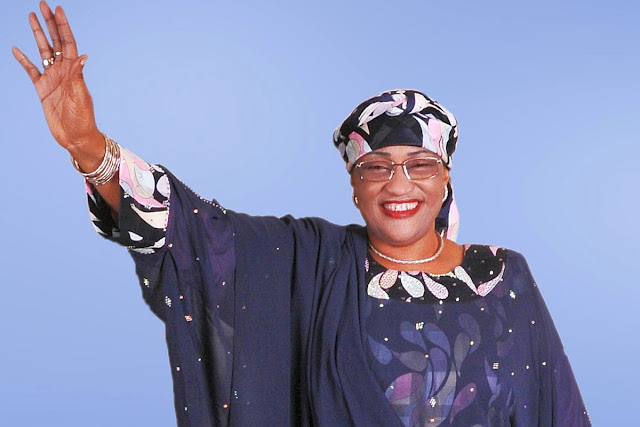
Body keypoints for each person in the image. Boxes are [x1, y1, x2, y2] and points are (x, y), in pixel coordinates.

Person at [14, 2, 591, 426]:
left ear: (445, 180)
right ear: (354, 186)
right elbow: (189, 234)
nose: (399, 184)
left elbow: (557, 409)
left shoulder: (503, 277)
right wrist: (88, 146)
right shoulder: (308, 265)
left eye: (420, 164)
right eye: (376, 167)